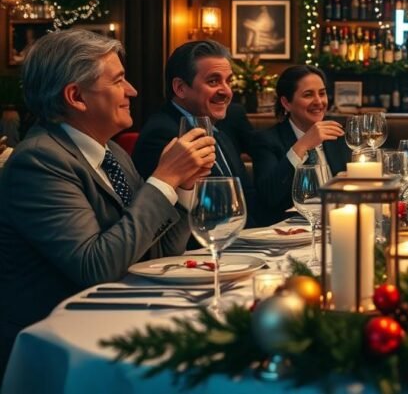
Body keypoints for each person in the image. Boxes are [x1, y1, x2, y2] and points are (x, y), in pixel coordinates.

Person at [0, 30, 215, 374]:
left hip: (119, 325)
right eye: (118, 81)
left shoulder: (111, 152)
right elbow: (95, 269)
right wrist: (163, 181)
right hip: (64, 351)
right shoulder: (40, 161)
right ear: (76, 96)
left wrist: (183, 188)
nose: (132, 90)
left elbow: (156, 255)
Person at [133, 40, 271, 227]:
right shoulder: (164, 134)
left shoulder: (217, 126)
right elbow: (179, 222)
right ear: (180, 88)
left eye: (228, 80)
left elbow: (247, 198)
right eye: (213, 81)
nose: (226, 91)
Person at [253, 65, 349, 220]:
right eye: (308, 95)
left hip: (338, 224)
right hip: (289, 234)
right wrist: (302, 145)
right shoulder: (266, 140)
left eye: (322, 93)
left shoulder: (338, 135)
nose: (319, 101)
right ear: (286, 103)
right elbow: (268, 196)